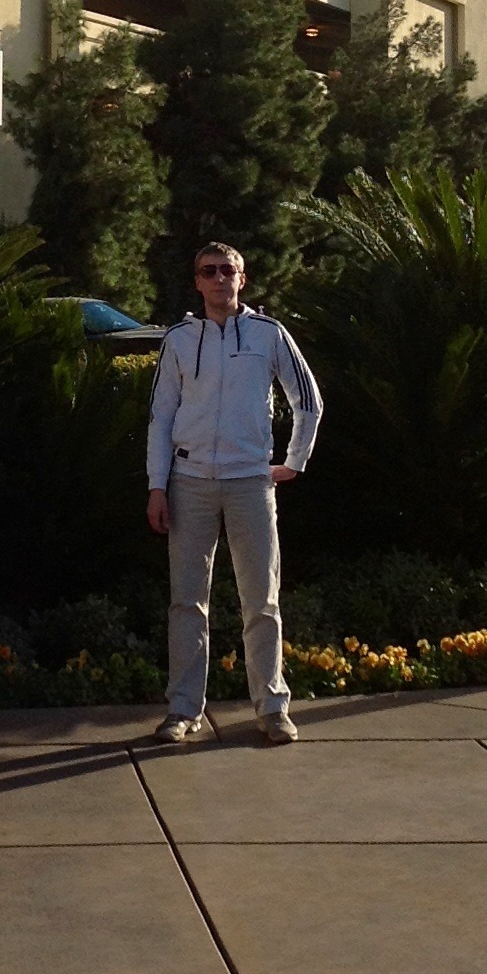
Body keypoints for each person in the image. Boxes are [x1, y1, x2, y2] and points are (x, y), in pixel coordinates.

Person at [145, 240, 323, 745]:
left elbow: (308, 401)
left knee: (261, 600)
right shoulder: (179, 339)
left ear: (242, 279)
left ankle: (272, 708)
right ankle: (183, 710)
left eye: (228, 270)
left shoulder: (269, 334)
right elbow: (160, 416)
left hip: (250, 482)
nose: (220, 278)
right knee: (187, 602)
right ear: (197, 282)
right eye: (210, 271)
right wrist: (157, 486)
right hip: (190, 482)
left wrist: (294, 462)